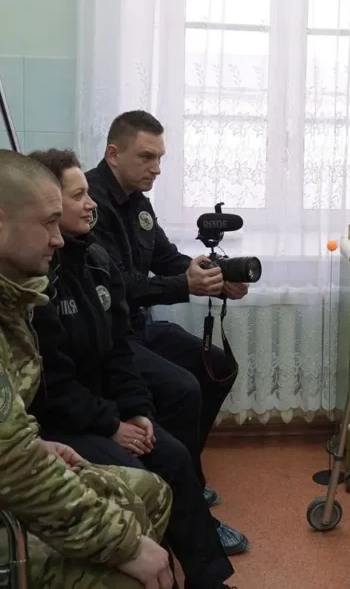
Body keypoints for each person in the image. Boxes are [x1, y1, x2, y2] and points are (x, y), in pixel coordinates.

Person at [0, 149, 177, 589]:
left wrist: (35, 446)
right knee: (127, 571)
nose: (59, 239)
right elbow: (5, 469)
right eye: (48, 223)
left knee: (150, 491)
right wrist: (125, 547)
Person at [26, 149, 236, 588]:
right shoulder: (36, 281)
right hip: (62, 422)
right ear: (47, 206)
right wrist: (112, 425)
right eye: (78, 196)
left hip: (105, 402)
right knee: (142, 467)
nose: (90, 205)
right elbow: (52, 387)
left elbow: (118, 347)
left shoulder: (94, 260)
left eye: (87, 193)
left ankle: (209, 579)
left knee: (173, 454)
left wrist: (138, 411)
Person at [86, 110, 250, 554]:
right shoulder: (91, 205)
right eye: (147, 157)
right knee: (183, 387)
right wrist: (184, 286)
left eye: (160, 158)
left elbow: (165, 257)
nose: (156, 168)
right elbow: (118, 286)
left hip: (140, 326)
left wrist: (215, 277)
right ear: (113, 154)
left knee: (218, 365)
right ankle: (185, 497)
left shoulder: (138, 201)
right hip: (111, 336)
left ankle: (184, 472)